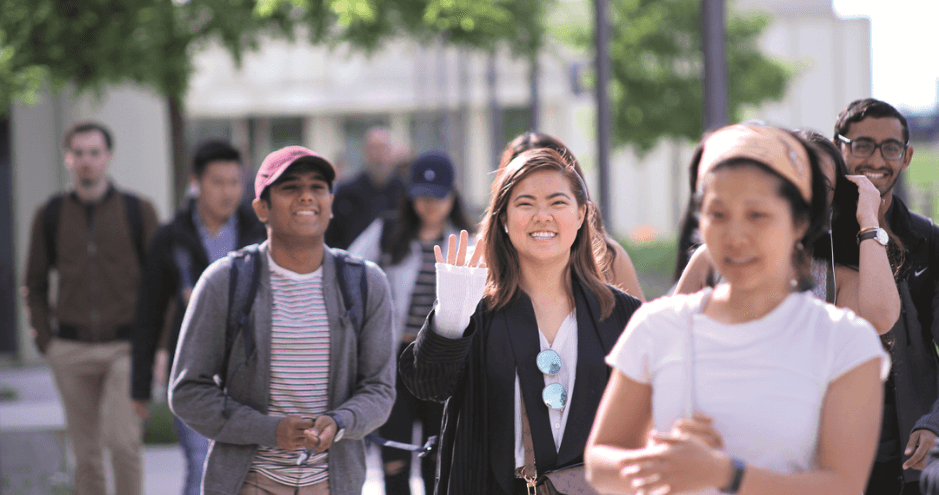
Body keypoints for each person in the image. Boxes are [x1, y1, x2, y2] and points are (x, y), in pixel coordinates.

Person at [585, 123, 890, 495]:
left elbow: (843, 486)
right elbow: (600, 462)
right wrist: (663, 459)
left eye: (757, 215)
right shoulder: (658, 325)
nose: (735, 236)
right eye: (718, 214)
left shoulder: (844, 341)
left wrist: (724, 474)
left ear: (799, 222)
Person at [398, 147, 642, 494]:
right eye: (525, 204)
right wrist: (450, 316)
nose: (542, 216)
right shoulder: (476, 313)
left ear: (581, 214)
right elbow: (428, 385)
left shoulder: (621, 315)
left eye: (558, 203)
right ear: (503, 220)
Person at [169, 145, 397, 495]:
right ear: (261, 208)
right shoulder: (225, 281)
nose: (306, 196)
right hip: (249, 482)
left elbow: (380, 389)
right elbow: (187, 391)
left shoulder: (365, 283)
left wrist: (339, 423)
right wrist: (267, 429)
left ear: (330, 203)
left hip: (332, 484)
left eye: (317, 187)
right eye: (290, 187)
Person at [22, 121, 159, 495]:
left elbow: (158, 284)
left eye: (94, 153)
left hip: (126, 348)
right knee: (86, 454)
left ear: (108, 158)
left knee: (122, 442)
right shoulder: (49, 214)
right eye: (79, 153)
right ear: (68, 158)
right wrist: (47, 342)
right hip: (71, 348)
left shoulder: (137, 210)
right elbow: (33, 283)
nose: (87, 161)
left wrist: (159, 346)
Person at [131, 139, 266, 495]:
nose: (228, 191)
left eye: (235, 182)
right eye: (217, 182)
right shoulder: (171, 238)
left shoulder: (260, 234)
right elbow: (149, 313)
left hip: (251, 369)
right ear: (196, 182)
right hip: (194, 369)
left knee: (253, 467)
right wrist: (140, 386)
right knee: (200, 462)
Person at [674, 130, 901, 332]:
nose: (801, 194)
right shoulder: (712, 260)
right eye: (790, 181)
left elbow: (879, 320)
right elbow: (670, 336)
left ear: (834, 202)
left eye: (819, 186)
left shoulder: (836, 278)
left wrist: (869, 222)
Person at [349, 150, 474, 495]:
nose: (429, 205)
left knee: (438, 459)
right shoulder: (389, 231)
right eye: (421, 196)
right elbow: (349, 271)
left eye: (438, 197)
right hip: (395, 360)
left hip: (443, 362)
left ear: (453, 195)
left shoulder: (467, 240)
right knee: (394, 456)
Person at [833, 98, 939, 495]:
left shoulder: (927, 239)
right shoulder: (816, 240)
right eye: (861, 145)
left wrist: (934, 422)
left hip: (907, 443)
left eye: (890, 148)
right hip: (829, 442)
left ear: (907, 156)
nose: (876, 159)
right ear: (838, 147)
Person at [498, 131, 646, 301]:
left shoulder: (609, 256)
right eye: (526, 202)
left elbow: (640, 322)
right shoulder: (479, 263)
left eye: (556, 200)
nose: (542, 216)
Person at [325, 126, 406, 249]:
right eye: (373, 148)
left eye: (384, 148)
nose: (378, 154)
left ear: (393, 152)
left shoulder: (406, 191)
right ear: (365, 152)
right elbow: (332, 237)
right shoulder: (346, 192)